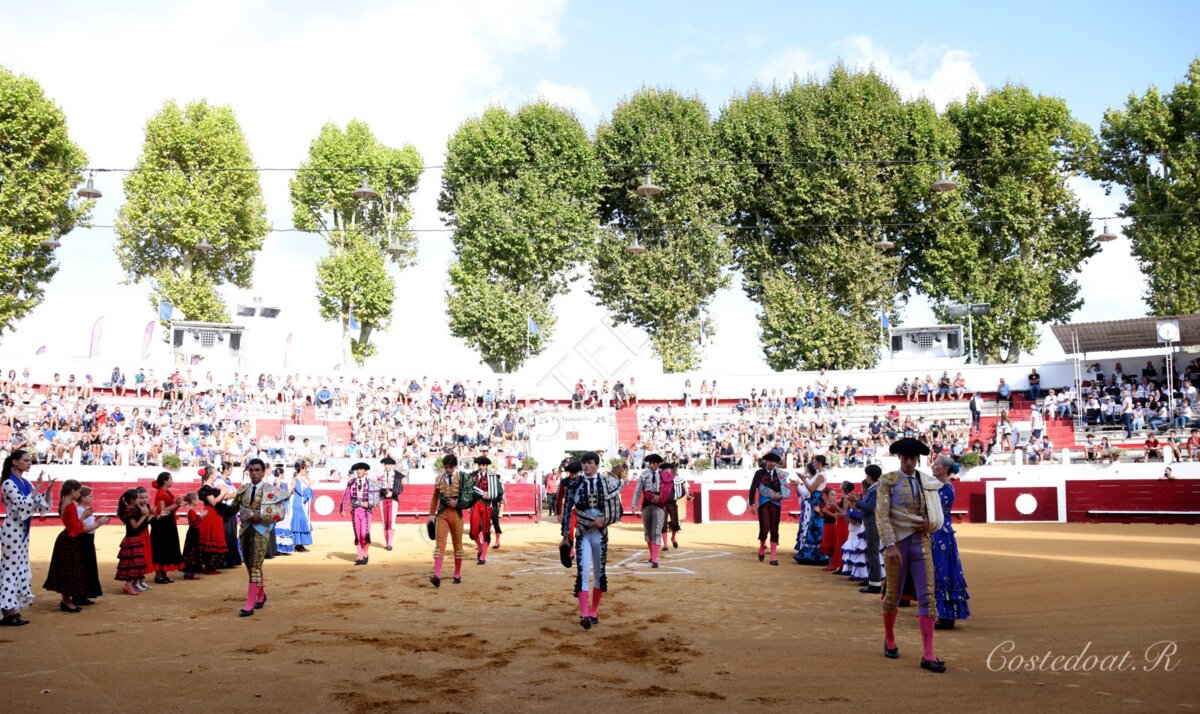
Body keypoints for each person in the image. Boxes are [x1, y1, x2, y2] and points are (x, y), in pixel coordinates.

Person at [877, 438, 946, 673]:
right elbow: (882, 516)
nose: (908, 462)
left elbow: (935, 514)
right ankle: (889, 639)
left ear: (918, 459)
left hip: (921, 542)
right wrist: (889, 544)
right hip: (898, 544)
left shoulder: (926, 482)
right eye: (904, 458)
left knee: (927, 596)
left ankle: (928, 654)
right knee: (893, 595)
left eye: (912, 458)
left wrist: (931, 522)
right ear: (899, 459)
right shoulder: (888, 481)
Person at [560, 451, 624, 630]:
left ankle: (594, 611)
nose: (586, 466)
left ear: (596, 465)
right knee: (583, 572)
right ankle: (584, 613)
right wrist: (565, 536)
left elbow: (617, 509)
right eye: (584, 463)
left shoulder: (608, 482)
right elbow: (567, 511)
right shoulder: (574, 484)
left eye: (589, 463)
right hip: (582, 533)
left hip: (601, 534)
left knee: (599, 573)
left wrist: (605, 520)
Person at [1, 450, 54, 626]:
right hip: (12, 531)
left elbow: (37, 503)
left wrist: (47, 490)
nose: (29, 463)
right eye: (25, 460)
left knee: (18, 569)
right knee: (10, 570)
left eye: (30, 460)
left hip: (22, 532)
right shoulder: (9, 483)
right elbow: (22, 504)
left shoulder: (25, 482)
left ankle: (11, 609)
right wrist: (37, 489)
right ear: (15, 462)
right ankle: (7, 610)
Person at [229, 459, 287, 617]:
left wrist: (259, 516)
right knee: (250, 565)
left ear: (263, 472)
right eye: (251, 470)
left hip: (261, 532)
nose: (254, 473)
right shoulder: (243, 489)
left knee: (254, 566)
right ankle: (261, 595)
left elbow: (281, 512)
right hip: (245, 531)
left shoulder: (271, 490)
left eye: (257, 470)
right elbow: (232, 508)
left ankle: (249, 604)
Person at [43, 480, 106, 612]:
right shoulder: (70, 506)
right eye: (78, 491)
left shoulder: (64, 504)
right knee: (69, 571)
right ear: (72, 491)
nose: (79, 493)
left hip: (66, 539)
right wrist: (84, 516)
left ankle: (68, 600)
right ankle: (66, 602)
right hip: (70, 540)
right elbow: (75, 528)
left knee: (68, 571)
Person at [930, 455, 971, 630]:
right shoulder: (939, 487)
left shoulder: (945, 488)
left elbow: (934, 512)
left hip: (941, 534)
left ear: (945, 469)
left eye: (936, 464)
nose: (933, 466)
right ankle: (944, 613)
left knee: (942, 571)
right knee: (941, 571)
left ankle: (946, 615)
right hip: (938, 533)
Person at [427, 454, 467, 588]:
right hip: (442, 514)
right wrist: (432, 514)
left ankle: (457, 573)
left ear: (454, 466)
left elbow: (469, 497)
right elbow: (434, 498)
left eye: (450, 467)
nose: (448, 469)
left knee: (458, 545)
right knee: (440, 545)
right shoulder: (438, 479)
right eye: (446, 467)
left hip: (456, 514)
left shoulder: (462, 478)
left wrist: (458, 502)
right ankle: (437, 576)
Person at [748, 451, 788, 565]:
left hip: (776, 504)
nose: (772, 463)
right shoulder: (759, 473)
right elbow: (752, 488)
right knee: (765, 528)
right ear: (766, 462)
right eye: (770, 461)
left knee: (775, 529)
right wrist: (752, 503)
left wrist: (780, 496)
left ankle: (773, 557)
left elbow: (786, 491)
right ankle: (762, 547)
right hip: (763, 504)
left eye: (775, 462)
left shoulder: (780, 475)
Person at [340, 462, 380, 566]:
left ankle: (365, 555)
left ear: (365, 471)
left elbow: (376, 498)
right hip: (354, 511)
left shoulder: (371, 483)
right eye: (357, 470)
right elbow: (345, 495)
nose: (358, 471)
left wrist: (369, 504)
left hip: (366, 512)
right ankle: (360, 556)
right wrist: (342, 509)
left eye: (361, 469)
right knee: (357, 535)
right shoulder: (351, 482)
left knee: (364, 534)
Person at [632, 453, 667, 568]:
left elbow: (669, 491)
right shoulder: (643, 474)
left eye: (653, 463)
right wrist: (634, 504)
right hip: (646, 505)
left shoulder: (665, 475)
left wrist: (660, 497)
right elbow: (637, 490)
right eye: (649, 463)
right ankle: (652, 555)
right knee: (648, 532)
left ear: (658, 464)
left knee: (656, 531)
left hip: (659, 505)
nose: (651, 466)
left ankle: (655, 559)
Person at [115, 488, 151, 596]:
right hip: (132, 539)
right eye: (137, 498)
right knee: (133, 564)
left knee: (134, 563)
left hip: (134, 538)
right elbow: (135, 526)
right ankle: (128, 585)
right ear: (132, 500)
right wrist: (145, 516)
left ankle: (130, 584)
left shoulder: (131, 509)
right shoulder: (130, 510)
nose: (139, 500)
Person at [793, 457, 829, 566]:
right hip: (815, 499)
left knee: (814, 526)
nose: (814, 464)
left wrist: (803, 479)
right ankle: (812, 554)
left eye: (815, 462)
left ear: (819, 463)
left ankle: (815, 555)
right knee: (812, 526)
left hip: (815, 499)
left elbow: (812, 489)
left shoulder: (821, 475)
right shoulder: (820, 474)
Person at [468, 455, 504, 564]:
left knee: (486, 531)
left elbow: (500, 492)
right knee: (473, 532)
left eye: (482, 465)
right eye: (479, 464)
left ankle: (483, 556)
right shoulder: (472, 476)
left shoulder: (493, 476)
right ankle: (480, 547)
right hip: (475, 504)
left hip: (487, 505)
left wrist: (491, 496)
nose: (480, 467)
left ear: (486, 466)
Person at [150, 472, 184, 584]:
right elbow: (163, 510)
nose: (172, 481)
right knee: (161, 548)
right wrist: (177, 504)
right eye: (170, 479)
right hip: (162, 524)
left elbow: (169, 509)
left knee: (165, 548)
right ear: (165, 481)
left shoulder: (166, 492)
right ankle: (159, 575)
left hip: (168, 523)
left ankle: (163, 574)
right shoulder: (161, 493)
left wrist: (178, 504)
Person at [857, 465, 883, 594]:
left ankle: (875, 584)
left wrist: (856, 502)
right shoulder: (874, 488)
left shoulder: (875, 489)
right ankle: (874, 581)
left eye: (867, 474)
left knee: (873, 552)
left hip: (872, 522)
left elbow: (869, 507)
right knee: (872, 552)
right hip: (870, 522)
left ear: (870, 476)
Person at [379, 456, 405, 551]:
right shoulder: (380, 474)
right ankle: (387, 542)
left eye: (388, 464)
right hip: (382, 498)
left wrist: (392, 493)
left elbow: (401, 488)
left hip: (393, 499)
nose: (386, 466)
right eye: (385, 464)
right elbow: (376, 486)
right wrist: (384, 492)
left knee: (391, 521)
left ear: (392, 465)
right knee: (384, 522)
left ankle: (389, 543)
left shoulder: (397, 475)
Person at [180, 493, 207, 580]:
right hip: (193, 532)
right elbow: (194, 523)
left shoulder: (190, 510)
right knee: (193, 551)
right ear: (193, 501)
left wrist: (200, 517)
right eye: (197, 499)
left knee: (190, 551)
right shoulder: (191, 511)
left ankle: (189, 572)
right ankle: (191, 572)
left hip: (192, 532)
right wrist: (201, 516)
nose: (198, 501)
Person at [290, 461, 314, 553]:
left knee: (301, 522)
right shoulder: (297, 479)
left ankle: (299, 544)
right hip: (298, 503)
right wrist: (310, 486)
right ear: (302, 469)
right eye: (305, 469)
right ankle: (298, 545)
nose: (306, 471)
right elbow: (301, 492)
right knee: (300, 522)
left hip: (301, 503)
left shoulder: (301, 479)